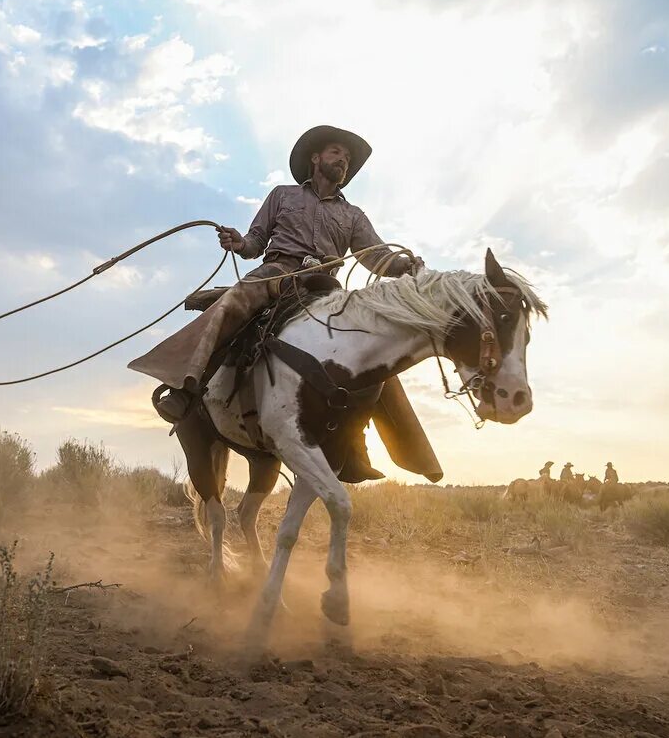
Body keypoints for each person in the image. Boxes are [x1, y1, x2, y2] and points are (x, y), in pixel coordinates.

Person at [128, 125, 440, 483]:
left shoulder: (353, 215)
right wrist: (238, 241)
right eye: (337, 152)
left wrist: (404, 265)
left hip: (326, 288)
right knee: (235, 301)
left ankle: (364, 445)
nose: (343, 160)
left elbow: (376, 256)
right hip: (278, 273)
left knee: (374, 344)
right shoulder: (283, 195)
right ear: (316, 158)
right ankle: (185, 390)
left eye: (348, 158)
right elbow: (255, 242)